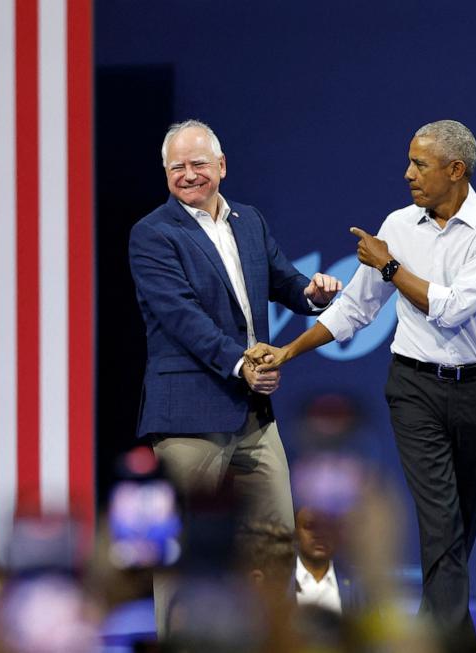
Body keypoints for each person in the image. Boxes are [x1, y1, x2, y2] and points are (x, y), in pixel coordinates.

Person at [246, 119, 476, 641]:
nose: (407, 173)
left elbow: (453, 308)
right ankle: (445, 641)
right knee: (441, 520)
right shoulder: (397, 224)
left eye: (420, 163)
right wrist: (289, 350)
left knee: (461, 525)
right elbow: (354, 309)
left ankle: (433, 632)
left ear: (455, 169)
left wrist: (390, 266)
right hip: (413, 388)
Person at [128, 119, 342, 631]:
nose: (188, 175)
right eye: (176, 167)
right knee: (186, 557)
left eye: (198, 164)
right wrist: (243, 363)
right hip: (187, 419)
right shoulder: (153, 234)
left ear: (221, 166)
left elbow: (282, 278)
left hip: (253, 417)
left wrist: (311, 294)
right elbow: (181, 318)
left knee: (275, 545)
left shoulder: (249, 221)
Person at [294, 506, 365, 615]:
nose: (319, 535)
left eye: (327, 527)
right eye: (310, 526)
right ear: (296, 532)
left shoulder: (357, 585)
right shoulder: (279, 581)